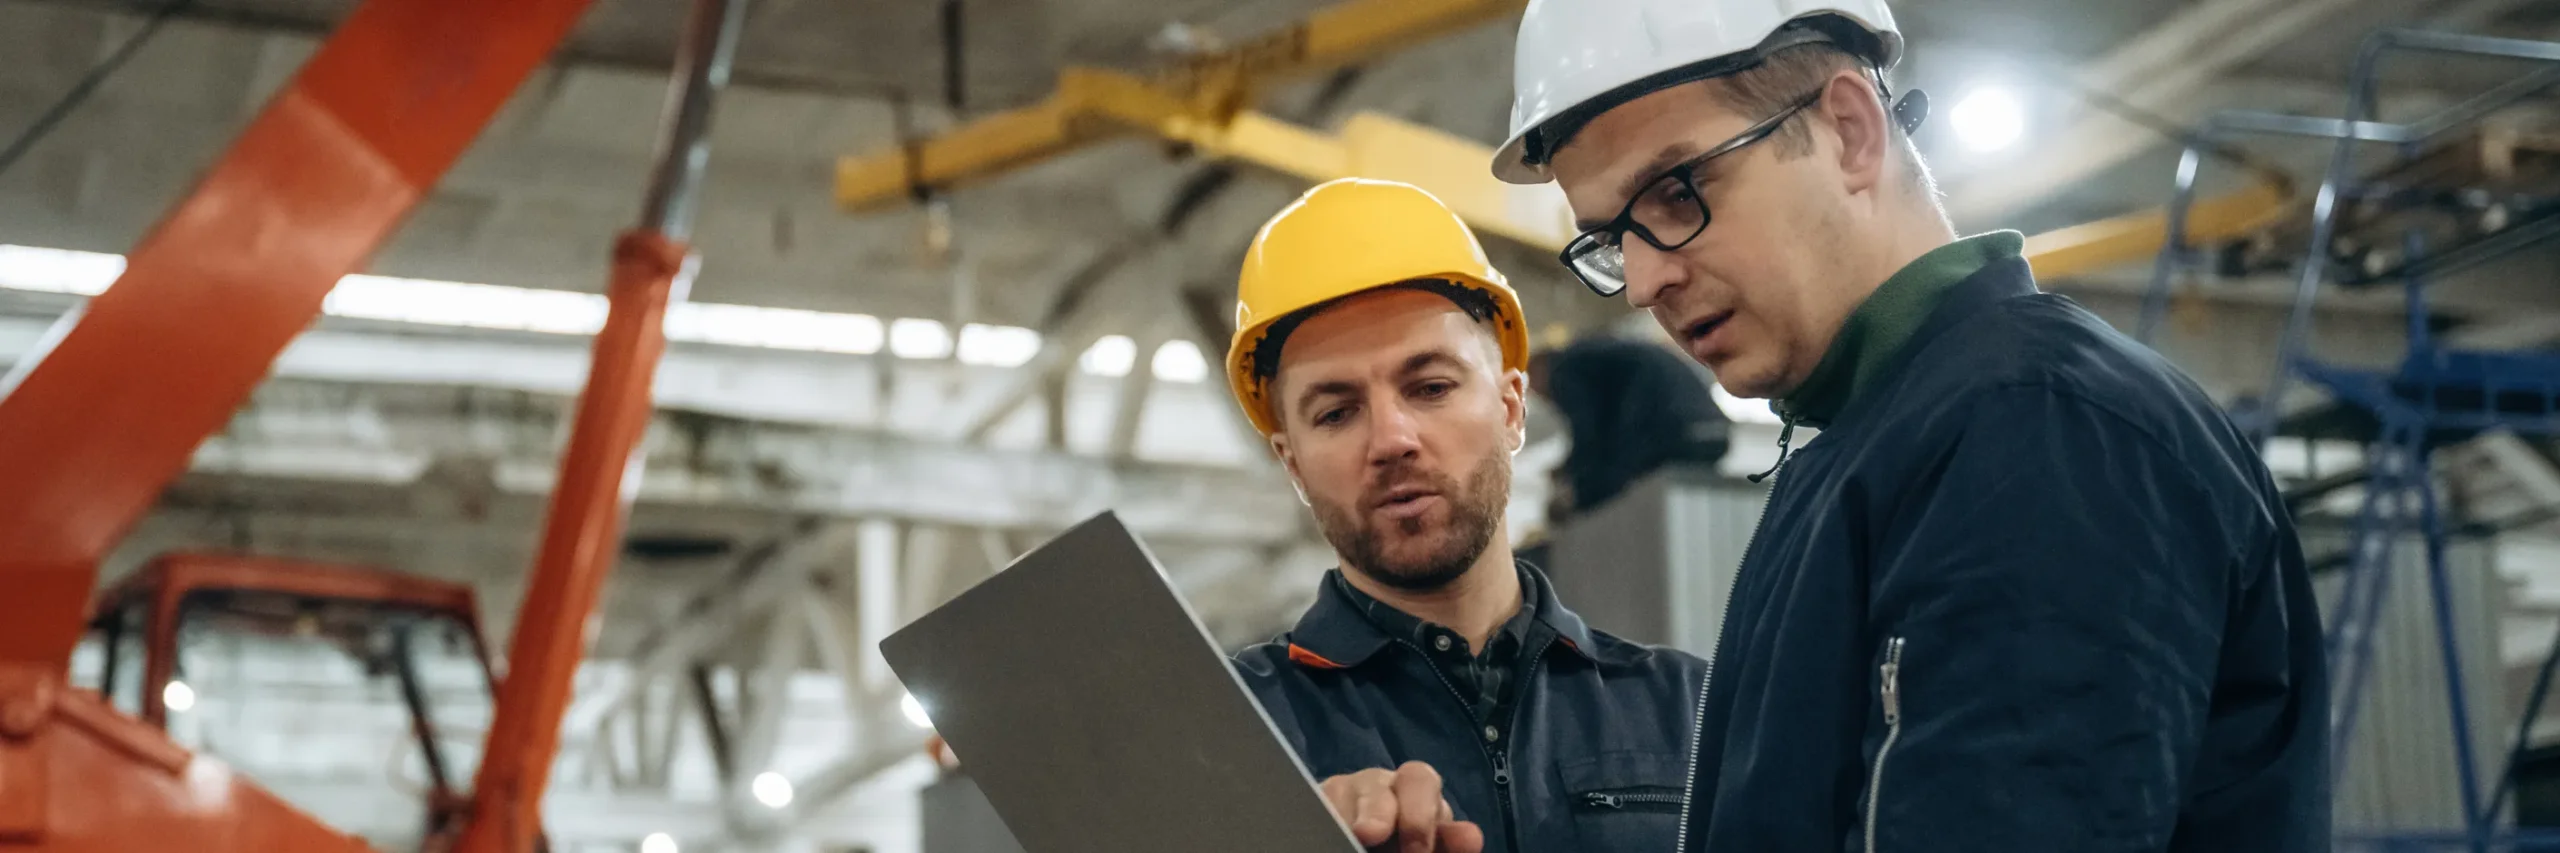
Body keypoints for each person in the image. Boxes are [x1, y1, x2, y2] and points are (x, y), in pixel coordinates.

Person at [1491, 1, 2330, 851]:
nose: (1641, 282)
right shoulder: (1874, 446)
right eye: (1609, 238)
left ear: (1851, 132)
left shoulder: (2038, 431)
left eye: (1677, 192)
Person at [1221, 177, 1710, 853]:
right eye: (1336, 412)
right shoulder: (1227, 736)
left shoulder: (1693, 711)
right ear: (1294, 464)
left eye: (1430, 387)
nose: (1392, 439)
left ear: (1511, 409)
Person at [1527, 334, 1730, 524]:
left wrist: (1575, 490)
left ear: (1538, 369)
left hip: (1670, 428)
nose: (1543, 397)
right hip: (1711, 430)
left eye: (1532, 387)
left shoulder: (1563, 371)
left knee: (1605, 486)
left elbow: (1588, 434)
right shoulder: (1595, 359)